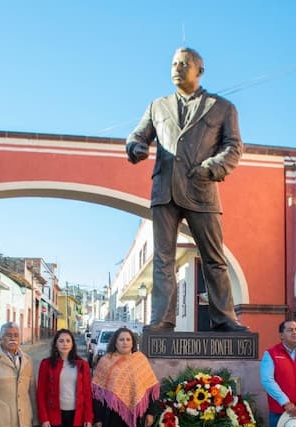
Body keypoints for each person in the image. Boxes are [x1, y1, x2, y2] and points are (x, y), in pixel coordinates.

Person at [126, 47, 246, 333]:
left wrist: (210, 167)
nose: (177, 68)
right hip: (164, 190)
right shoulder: (158, 106)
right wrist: (135, 146)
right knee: (163, 260)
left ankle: (224, 318)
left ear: (199, 71)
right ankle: (162, 320)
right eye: (174, 63)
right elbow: (137, 134)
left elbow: (234, 147)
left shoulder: (222, 107)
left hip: (201, 188)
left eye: (184, 64)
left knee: (214, 259)